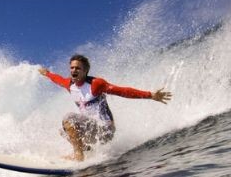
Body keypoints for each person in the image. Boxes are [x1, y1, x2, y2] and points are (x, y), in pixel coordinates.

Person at [38, 54, 171, 161]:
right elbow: (57, 79)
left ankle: (78, 155)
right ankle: (86, 149)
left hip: (105, 130)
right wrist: (47, 73)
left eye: (78, 68)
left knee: (68, 119)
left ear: (85, 71)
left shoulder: (96, 84)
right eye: (72, 68)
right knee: (63, 131)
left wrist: (150, 95)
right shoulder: (69, 84)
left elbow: (122, 91)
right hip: (92, 130)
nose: (74, 70)